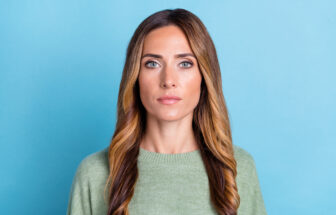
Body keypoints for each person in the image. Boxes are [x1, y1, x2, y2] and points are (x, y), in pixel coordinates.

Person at [67, 8, 267, 215]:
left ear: (204, 77)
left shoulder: (237, 168)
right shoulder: (96, 173)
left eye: (185, 64)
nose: (168, 80)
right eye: (152, 64)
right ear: (135, 77)